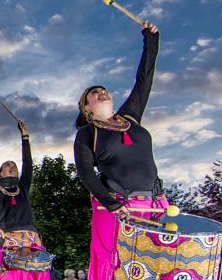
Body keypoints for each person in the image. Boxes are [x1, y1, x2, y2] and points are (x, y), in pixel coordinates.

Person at [73, 21, 163, 280]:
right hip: (117, 207)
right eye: (93, 93)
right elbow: (86, 174)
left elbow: (144, 80)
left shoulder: (131, 118)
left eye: (103, 89)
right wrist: (111, 204)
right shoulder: (88, 134)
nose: (101, 91)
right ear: (86, 109)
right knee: (114, 266)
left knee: (152, 266)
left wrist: (152, 40)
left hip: (153, 203)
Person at [0, 120, 48, 280]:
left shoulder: (23, 186)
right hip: (8, 238)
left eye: (14, 165)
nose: (12, 166)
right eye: (7, 165)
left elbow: (28, 163)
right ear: (1, 174)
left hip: (31, 239)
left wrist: (25, 136)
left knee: (33, 275)